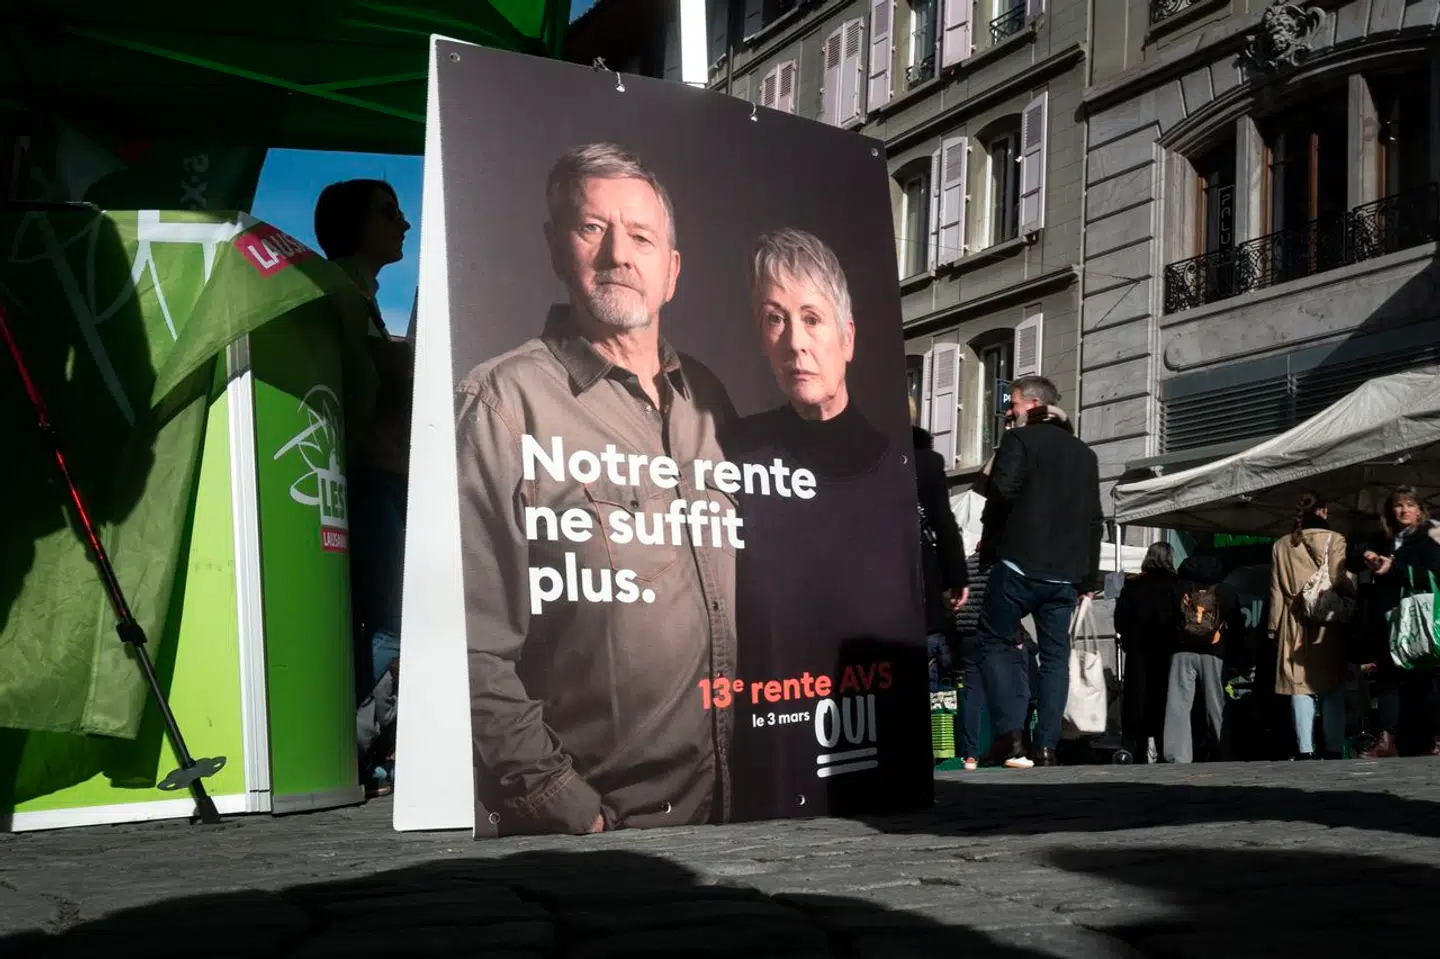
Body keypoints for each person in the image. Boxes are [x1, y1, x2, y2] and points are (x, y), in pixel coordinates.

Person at [454, 143, 739, 835]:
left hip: (736, 814)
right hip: (605, 830)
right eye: (592, 228)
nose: (618, 253)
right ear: (556, 248)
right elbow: (467, 641)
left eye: (641, 236)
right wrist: (558, 798)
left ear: (671, 270)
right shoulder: (502, 403)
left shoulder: (710, 400)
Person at [723, 228, 930, 821]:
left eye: (812, 318)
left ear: (848, 337)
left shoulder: (897, 469)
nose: (795, 343)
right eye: (774, 320)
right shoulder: (735, 450)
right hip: (770, 749)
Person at [313, 178, 412, 797]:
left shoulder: (362, 298)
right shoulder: (337, 295)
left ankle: (352, 749)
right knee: (389, 620)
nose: (403, 223)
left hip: (375, 476)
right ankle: (340, 749)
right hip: (366, 477)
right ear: (356, 223)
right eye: (389, 212)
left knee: (382, 620)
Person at [972, 379, 1104, 769]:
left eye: (1012, 404)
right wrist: (1089, 579)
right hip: (1064, 575)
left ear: (1033, 404)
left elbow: (1002, 494)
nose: (1008, 411)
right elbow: (1094, 520)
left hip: (1017, 563)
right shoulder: (1085, 455)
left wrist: (990, 545)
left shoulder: (1020, 441)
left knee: (993, 642)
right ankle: (1046, 746)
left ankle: (1011, 737)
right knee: (1054, 658)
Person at [1358, 486, 1440, 757]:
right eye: (1398, 505)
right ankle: (1387, 739)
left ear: (1420, 510)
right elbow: (1353, 556)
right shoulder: (1385, 539)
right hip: (1392, 618)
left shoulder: (1430, 536)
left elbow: (1434, 573)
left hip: (1422, 618)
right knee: (1388, 679)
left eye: (1409, 505)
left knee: (1430, 677)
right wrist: (1369, 557)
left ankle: (1435, 738)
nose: (1404, 510)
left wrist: (1396, 569)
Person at [1268, 494, 1351, 760]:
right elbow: (1338, 578)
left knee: (1299, 686)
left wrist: (1273, 627)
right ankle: (1334, 746)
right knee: (1331, 686)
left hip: (1294, 621)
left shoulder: (1281, 545)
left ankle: (1305, 748)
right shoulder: (1335, 539)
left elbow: (1276, 591)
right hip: (1327, 621)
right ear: (1324, 511)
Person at [1163, 554, 1242, 763]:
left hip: (1181, 651)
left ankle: (1177, 756)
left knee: (1178, 705)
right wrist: (1234, 655)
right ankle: (1223, 750)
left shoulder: (1178, 588)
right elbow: (1236, 626)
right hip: (1214, 652)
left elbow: (1166, 620)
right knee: (1216, 704)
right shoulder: (1226, 591)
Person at [1113, 542, 1179, 763]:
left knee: (1136, 701)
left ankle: (1134, 749)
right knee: (1163, 699)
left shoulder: (1133, 585)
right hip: (1166, 650)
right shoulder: (1174, 583)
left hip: (1138, 651)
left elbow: (1120, 619)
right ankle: (1163, 748)